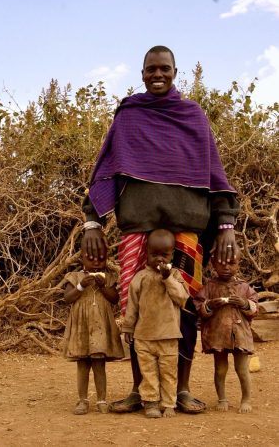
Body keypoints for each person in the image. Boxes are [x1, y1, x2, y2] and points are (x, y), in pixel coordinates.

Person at [81, 45, 239, 413]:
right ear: (141, 73)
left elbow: (215, 177)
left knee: (183, 313)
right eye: (151, 69)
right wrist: (93, 221)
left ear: (175, 71)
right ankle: (142, 390)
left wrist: (226, 225)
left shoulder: (193, 115)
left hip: (186, 233)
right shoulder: (129, 116)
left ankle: (179, 389)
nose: (157, 74)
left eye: (164, 68)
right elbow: (106, 172)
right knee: (138, 311)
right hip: (139, 231)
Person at [122, 229, 189, 418]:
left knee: (169, 372)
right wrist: (128, 327)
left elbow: (182, 298)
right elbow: (132, 306)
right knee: (148, 372)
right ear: (146, 252)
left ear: (172, 255)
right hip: (144, 336)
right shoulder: (140, 277)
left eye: (164, 255)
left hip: (169, 336)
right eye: (154, 254)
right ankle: (150, 402)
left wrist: (167, 278)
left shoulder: (175, 276)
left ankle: (169, 403)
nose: (159, 259)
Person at [193, 249, 258, 413]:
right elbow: (199, 306)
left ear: (238, 264)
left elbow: (255, 306)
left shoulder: (244, 287)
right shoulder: (209, 286)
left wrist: (244, 304)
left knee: (242, 369)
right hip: (218, 335)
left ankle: (246, 399)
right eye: (221, 263)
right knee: (220, 369)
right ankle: (222, 398)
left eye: (231, 263)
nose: (226, 267)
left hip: (240, 334)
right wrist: (209, 305)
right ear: (213, 264)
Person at [62, 248, 124, 415]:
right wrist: (81, 286)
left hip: (100, 327)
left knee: (99, 363)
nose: (96, 262)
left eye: (101, 258)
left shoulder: (109, 278)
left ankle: (102, 400)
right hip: (82, 326)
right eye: (91, 258)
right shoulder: (74, 277)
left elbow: (114, 299)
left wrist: (103, 286)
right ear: (82, 259)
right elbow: (68, 298)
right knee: (82, 363)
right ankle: (82, 400)